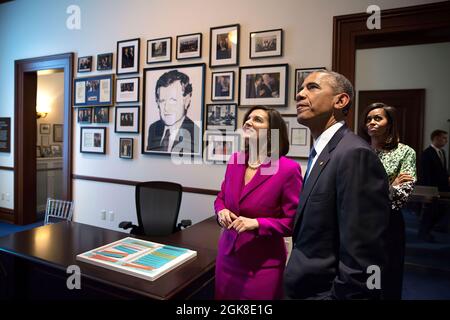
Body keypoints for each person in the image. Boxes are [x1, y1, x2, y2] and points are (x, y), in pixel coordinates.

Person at [283, 70, 391, 300]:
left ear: (340, 101)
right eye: (301, 88)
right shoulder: (324, 151)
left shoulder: (355, 154)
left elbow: (366, 256)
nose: (299, 94)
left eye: (312, 87)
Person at [215, 106, 303, 300]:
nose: (248, 122)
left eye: (257, 119)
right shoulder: (235, 160)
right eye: (248, 118)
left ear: (272, 132)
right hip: (227, 258)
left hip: (262, 266)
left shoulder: (287, 169)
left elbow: (293, 221)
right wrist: (221, 210)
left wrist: (257, 223)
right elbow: (221, 197)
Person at [360, 102, 416, 300]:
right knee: (366, 272)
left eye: (378, 118)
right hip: (360, 222)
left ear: (389, 123)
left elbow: (401, 197)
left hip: (388, 222)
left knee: (389, 274)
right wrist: (389, 186)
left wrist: (386, 191)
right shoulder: (359, 151)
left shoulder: (405, 152)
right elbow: (352, 191)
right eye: (368, 119)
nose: (372, 123)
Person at [146, 70, 200, 154]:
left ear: (186, 101)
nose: (166, 108)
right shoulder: (153, 128)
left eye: (173, 100)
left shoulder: (196, 133)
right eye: (162, 101)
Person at [418, 129, 450, 241]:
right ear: (436, 138)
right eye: (444, 138)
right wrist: (427, 192)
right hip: (431, 189)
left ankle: (430, 230)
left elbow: (442, 170)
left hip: (442, 188)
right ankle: (423, 234)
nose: (446, 140)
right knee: (429, 213)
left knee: (439, 211)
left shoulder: (442, 152)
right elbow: (425, 174)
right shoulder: (427, 153)